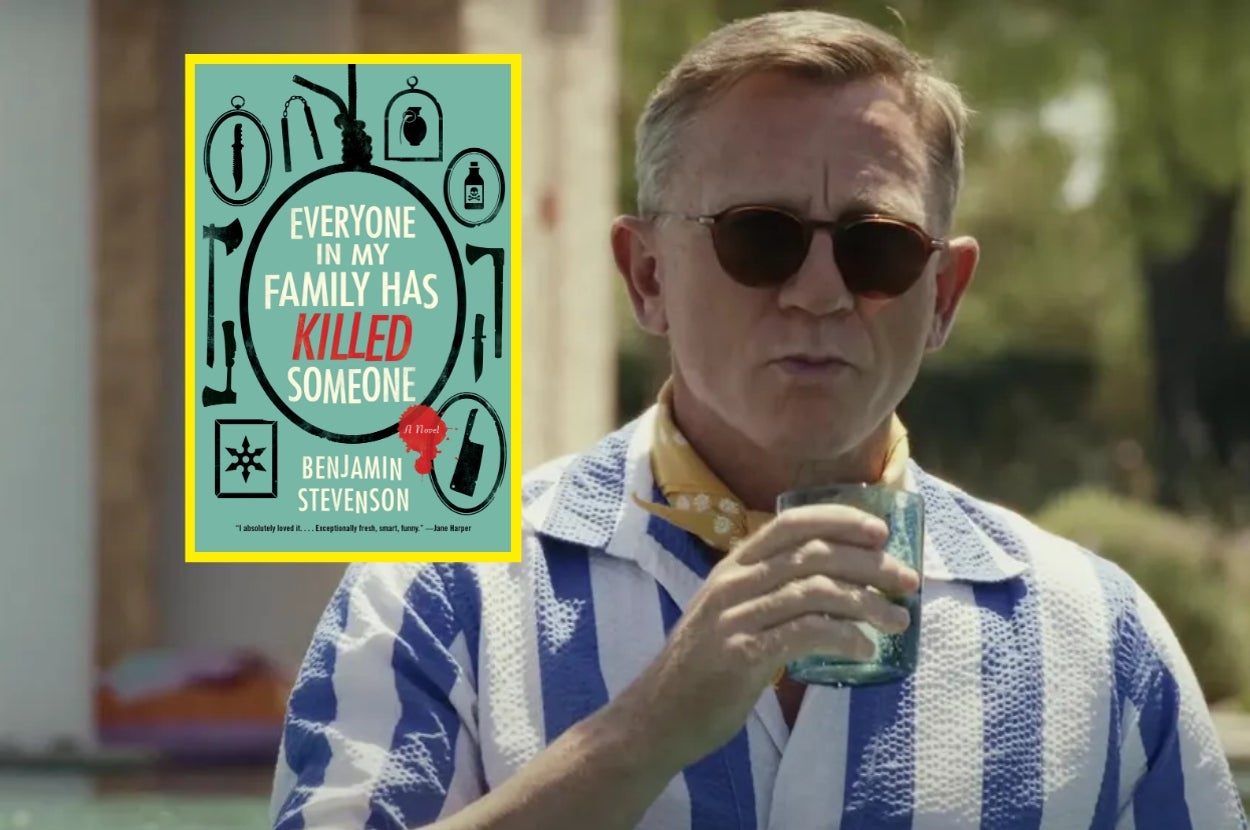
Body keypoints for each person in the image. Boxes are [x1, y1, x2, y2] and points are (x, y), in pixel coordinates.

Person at [269, 10, 1249, 830]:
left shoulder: (1094, 636)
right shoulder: (444, 597)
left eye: (876, 248)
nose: (819, 291)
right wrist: (640, 732)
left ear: (942, 292)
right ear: (644, 274)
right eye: (759, 237)